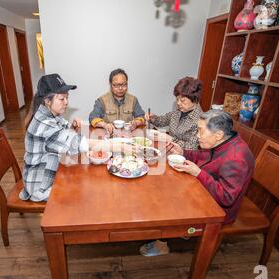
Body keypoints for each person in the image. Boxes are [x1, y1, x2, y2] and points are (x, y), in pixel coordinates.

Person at [140, 110, 255, 257]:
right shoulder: (224, 141)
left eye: (200, 131)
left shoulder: (236, 158)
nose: (197, 135)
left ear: (218, 134)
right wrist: (184, 153)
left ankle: (163, 242)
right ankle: (176, 231)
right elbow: (206, 157)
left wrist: (198, 173)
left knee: (167, 198)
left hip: (219, 210)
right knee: (166, 185)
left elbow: (226, 197)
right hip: (206, 192)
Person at [20, 73, 136, 202]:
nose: (66, 102)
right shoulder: (44, 124)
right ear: (47, 101)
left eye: (67, 98)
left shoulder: (51, 114)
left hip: (53, 171)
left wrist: (72, 128)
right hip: (41, 186)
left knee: (88, 183)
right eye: (62, 99)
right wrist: (119, 146)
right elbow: (77, 142)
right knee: (88, 193)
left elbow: (60, 139)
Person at [145, 76, 203, 150]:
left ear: (195, 99)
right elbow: (163, 120)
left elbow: (192, 146)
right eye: (177, 99)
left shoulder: (200, 120)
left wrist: (170, 139)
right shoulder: (178, 111)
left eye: (182, 100)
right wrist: (152, 118)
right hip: (169, 151)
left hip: (183, 157)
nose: (178, 103)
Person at [89, 68, 146, 134]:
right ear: (111, 85)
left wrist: (136, 123)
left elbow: (141, 116)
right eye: (116, 85)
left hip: (127, 137)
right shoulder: (102, 100)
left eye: (124, 84)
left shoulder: (133, 100)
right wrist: (104, 125)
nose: (120, 88)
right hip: (108, 137)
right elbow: (92, 118)